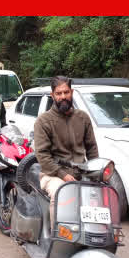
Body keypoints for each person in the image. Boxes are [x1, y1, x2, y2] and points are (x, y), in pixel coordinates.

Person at [31, 77, 99, 209]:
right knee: (61, 195)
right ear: (53, 95)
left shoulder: (82, 117)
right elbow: (43, 156)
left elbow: (92, 148)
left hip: (81, 173)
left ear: (71, 92)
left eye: (66, 92)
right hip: (53, 175)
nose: (63, 96)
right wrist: (63, 175)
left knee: (101, 195)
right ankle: (56, 230)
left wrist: (96, 172)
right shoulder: (43, 121)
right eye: (58, 93)